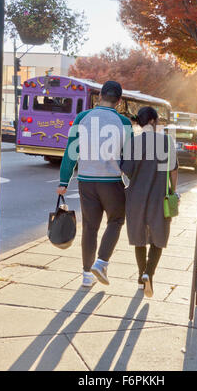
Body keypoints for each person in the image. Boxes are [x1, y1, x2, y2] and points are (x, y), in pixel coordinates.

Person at [57, 81, 132, 287]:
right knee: (116, 221)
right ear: (118, 101)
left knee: (90, 227)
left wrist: (64, 181)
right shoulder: (124, 123)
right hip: (112, 182)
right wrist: (134, 181)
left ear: (99, 97)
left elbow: (71, 152)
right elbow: (129, 157)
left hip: (87, 182)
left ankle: (86, 275)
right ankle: (102, 262)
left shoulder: (82, 118)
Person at [121, 107, 179, 298]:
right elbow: (173, 170)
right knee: (158, 237)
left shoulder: (133, 143)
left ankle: (140, 278)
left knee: (139, 237)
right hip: (159, 196)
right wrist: (173, 191)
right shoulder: (166, 141)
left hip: (136, 197)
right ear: (153, 121)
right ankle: (149, 273)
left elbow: (126, 171)